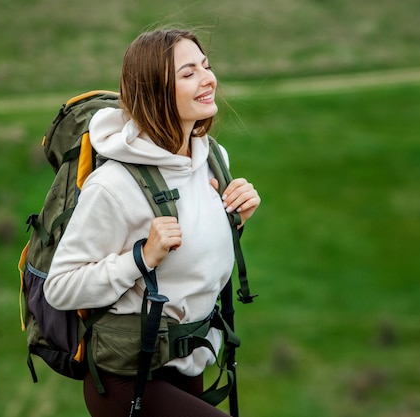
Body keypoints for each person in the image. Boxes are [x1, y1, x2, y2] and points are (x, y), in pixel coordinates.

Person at [44, 28, 261, 417]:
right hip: (128, 378)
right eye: (188, 73)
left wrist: (233, 221)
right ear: (155, 90)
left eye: (206, 67)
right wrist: (141, 257)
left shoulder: (213, 158)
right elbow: (59, 288)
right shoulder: (114, 185)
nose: (208, 79)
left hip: (188, 361)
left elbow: (195, 261)